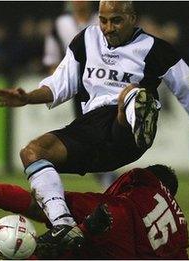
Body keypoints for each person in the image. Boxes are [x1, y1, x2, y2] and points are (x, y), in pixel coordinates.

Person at [0, 0, 189, 249]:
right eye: (103, 20)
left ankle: (137, 112)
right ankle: (63, 226)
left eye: (116, 20)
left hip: (127, 134)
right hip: (93, 132)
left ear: (133, 19)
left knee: (130, 94)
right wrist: (27, 98)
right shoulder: (86, 40)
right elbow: (59, 85)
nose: (108, 27)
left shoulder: (155, 49)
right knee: (32, 153)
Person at [0, 164, 189, 259]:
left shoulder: (133, 196)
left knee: (51, 216)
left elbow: (35, 205)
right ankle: (72, 236)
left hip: (113, 231)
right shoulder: (178, 225)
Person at [43, 0, 117, 189]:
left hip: (103, 85)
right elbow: (52, 58)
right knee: (90, 135)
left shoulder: (103, 20)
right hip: (77, 88)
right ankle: (107, 178)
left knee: (103, 133)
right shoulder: (60, 24)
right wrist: (57, 83)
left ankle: (109, 177)